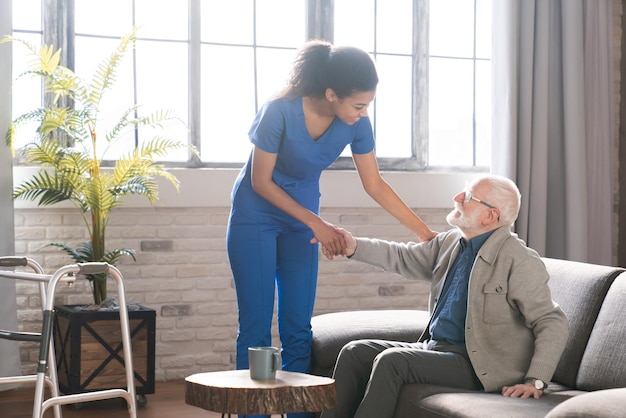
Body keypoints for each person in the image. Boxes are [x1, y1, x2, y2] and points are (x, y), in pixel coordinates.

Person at [226, 40, 436, 418]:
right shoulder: (279, 111)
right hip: (256, 216)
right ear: (331, 94)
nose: (363, 113)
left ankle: (300, 414)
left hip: (303, 223)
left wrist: (424, 232)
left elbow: (375, 184)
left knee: (297, 328)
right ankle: (253, 413)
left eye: (368, 105)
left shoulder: (356, 124)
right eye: (358, 105)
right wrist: (317, 223)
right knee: (256, 328)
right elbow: (261, 182)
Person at [320, 174, 569, 418]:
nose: (457, 197)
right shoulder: (451, 242)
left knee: (393, 361)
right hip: (435, 348)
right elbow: (403, 257)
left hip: (478, 364)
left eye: (469, 196)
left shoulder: (519, 260)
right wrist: (353, 246)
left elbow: (552, 322)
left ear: (490, 216)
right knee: (354, 351)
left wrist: (535, 381)